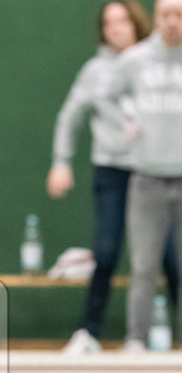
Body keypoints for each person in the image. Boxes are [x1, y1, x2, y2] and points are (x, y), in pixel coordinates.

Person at [49, 1, 179, 354]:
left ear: (137, 23)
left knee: (171, 257)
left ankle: (165, 335)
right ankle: (89, 333)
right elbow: (70, 115)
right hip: (112, 171)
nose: (116, 29)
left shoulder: (162, 60)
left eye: (122, 21)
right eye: (109, 24)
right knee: (106, 252)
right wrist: (61, 161)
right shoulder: (98, 71)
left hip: (154, 171)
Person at [107, 0, 182, 350]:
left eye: (180, 14)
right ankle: (136, 340)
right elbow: (107, 95)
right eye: (167, 14)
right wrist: (128, 118)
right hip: (147, 180)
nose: (173, 21)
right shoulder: (135, 60)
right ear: (156, 18)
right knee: (144, 267)